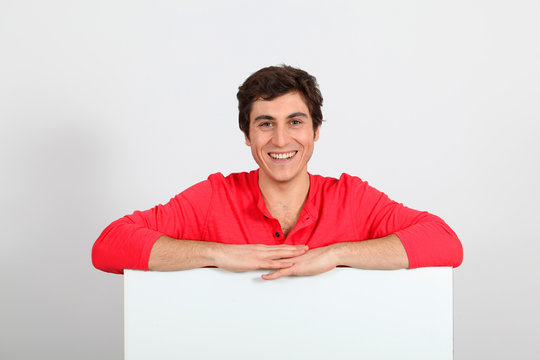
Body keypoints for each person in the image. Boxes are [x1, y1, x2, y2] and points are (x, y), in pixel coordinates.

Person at [92, 65, 463, 279]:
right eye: (266, 124)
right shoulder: (214, 197)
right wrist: (218, 254)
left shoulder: (352, 198)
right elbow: (109, 247)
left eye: (295, 122)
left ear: (316, 131)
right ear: (248, 135)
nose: (281, 139)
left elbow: (445, 243)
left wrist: (335, 254)